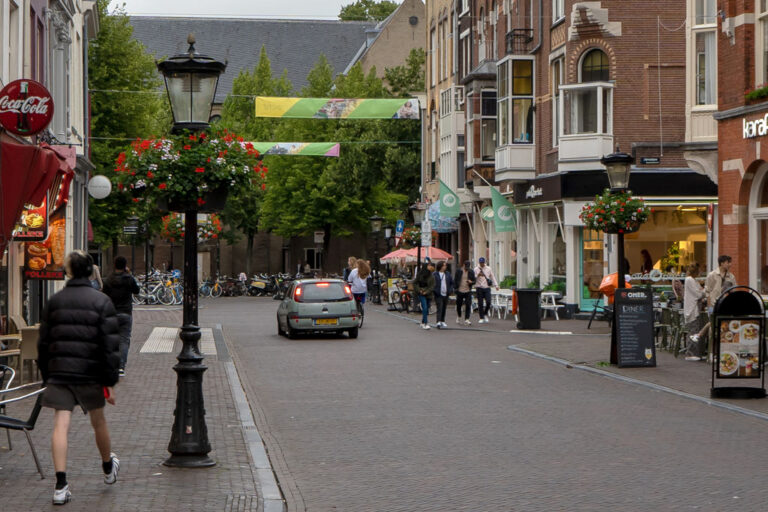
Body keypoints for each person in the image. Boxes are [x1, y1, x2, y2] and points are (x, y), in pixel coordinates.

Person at [37, 251, 121, 505]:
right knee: (98, 422)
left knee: (60, 425)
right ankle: (108, 468)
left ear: (69, 272)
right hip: (90, 374)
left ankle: (60, 485)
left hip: (60, 373)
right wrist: (109, 381)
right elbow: (110, 346)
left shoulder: (54, 301)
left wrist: (46, 374)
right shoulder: (102, 302)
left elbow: (43, 343)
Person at [102, 256, 140, 377]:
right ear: (125, 266)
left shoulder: (109, 280)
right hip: (126, 313)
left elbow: (104, 295)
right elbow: (137, 290)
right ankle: (121, 366)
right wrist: (129, 274)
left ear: (114, 265)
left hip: (112, 313)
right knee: (124, 340)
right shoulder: (129, 279)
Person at [683, 263, 707, 361]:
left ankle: (695, 352)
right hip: (692, 309)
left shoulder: (692, 280)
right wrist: (705, 291)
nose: (700, 272)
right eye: (699, 271)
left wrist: (702, 291)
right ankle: (690, 353)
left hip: (694, 309)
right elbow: (698, 294)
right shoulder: (690, 280)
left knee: (695, 330)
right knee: (693, 331)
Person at [474, 257, 499, 324]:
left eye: (482, 262)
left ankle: (485, 314)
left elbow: (492, 277)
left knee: (488, 301)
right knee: (480, 303)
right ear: (479, 262)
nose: (481, 264)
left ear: (484, 262)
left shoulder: (488, 268)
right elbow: (473, 278)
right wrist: (477, 275)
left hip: (487, 287)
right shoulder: (476, 269)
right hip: (479, 287)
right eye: (480, 262)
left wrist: (496, 285)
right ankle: (481, 317)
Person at [412, 262, 435, 329]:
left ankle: (422, 322)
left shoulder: (431, 276)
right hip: (421, 293)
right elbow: (415, 283)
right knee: (424, 307)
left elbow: (432, 286)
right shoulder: (420, 275)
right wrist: (419, 290)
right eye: (429, 265)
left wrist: (427, 291)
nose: (430, 267)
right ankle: (426, 323)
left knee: (426, 308)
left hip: (428, 294)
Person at [454, 260, 476, 325]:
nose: (467, 269)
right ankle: (459, 316)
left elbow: (474, 281)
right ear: (463, 265)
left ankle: (467, 319)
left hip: (468, 290)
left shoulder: (471, 272)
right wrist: (455, 288)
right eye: (466, 267)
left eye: (468, 267)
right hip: (460, 290)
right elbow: (455, 280)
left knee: (468, 304)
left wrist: (471, 282)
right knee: (459, 305)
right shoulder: (458, 271)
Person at [432, 261, 453, 328]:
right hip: (438, 293)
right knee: (439, 307)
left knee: (444, 307)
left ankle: (442, 321)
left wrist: (450, 290)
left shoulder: (447, 274)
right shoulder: (435, 274)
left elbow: (451, 282)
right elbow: (433, 284)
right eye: (444, 265)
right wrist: (435, 291)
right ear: (440, 266)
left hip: (446, 293)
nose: (445, 267)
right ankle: (438, 321)